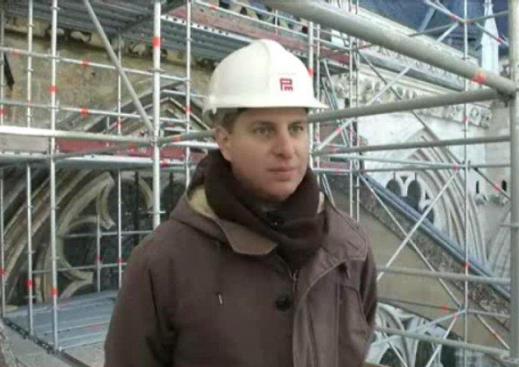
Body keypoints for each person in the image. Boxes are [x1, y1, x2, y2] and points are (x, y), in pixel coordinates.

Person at [104, 39, 378, 367]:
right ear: (225, 141)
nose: (287, 149)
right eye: (264, 131)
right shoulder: (163, 262)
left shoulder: (350, 248)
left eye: (296, 128)